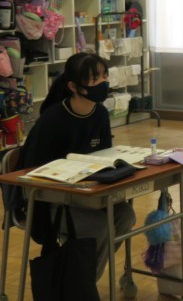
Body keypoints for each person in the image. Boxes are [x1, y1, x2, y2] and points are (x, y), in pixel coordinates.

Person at [14, 52, 136, 281]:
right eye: (95, 78)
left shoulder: (100, 113)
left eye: (104, 75)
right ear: (74, 86)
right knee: (99, 226)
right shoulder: (52, 120)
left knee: (125, 215)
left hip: (88, 195)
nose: (104, 82)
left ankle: (80, 280)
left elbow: (105, 158)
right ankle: (81, 285)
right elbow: (31, 173)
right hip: (49, 201)